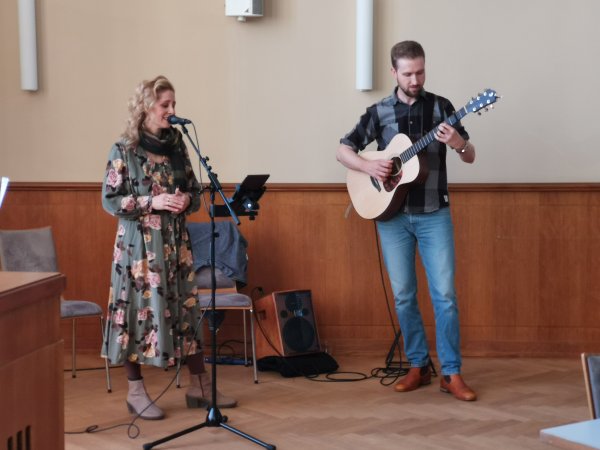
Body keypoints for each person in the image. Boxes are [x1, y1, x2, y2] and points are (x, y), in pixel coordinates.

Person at [336, 41, 477, 401]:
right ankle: (419, 365)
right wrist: (369, 166)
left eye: (421, 72)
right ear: (394, 72)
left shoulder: (442, 107)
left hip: (434, 214)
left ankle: (451, 373)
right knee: (403, 296)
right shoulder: (379, 111)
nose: (416, 80)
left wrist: (458, 142)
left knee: (445, 296)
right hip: (392, 217)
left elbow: (470, 155)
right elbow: (343, 150)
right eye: (409, 73)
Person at [101, 75, 237, 420]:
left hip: (176, 246)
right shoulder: (124, 149)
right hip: (138, 251)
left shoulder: (177, 144)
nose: (172, 110)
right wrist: (153, 201)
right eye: (165, 104)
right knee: (134, 314)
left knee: (187, 311)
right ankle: (135, 391)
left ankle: (199, 386)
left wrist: (186, 199)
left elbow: (193, 191)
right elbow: (111, 200)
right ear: (146, 107)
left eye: (174, 103)